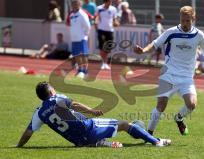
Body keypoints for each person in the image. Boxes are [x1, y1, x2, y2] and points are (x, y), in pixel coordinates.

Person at [134, 6, 204, 136]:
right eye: (183, 20)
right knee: (161, 105)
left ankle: (179, 118)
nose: (185, 23)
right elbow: (155, 44)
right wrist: (143, 50)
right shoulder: (171, 32)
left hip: (186, 77)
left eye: (188, 21)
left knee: (191, 104)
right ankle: (149, 134)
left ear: (193, 18)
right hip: (168, 74)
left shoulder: (198, 35)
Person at [16, 81, 171, 148]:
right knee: (124, 124)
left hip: (78, 141)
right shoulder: (57, 98)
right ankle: (156, 142)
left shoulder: (39, 113)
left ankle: (100, 142)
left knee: (93, 134)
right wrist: (91, 111)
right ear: (50, 91)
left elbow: (28, 133)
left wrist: (18, 146)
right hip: (89, 128)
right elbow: (74, 104)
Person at [66, 0, 91, 78]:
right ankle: (80, 70)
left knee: (83, 55)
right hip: (74, 39)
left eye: (76, 3)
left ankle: (85, 71)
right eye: (73, 3)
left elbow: (88, 26)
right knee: (76, 55)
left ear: (80, 4)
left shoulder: (82, 14)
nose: (74, 5)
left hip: (81, 38)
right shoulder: (71, 15)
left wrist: (85, 34)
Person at [95, 0, 119, 70]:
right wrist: (97, 28)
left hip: (110, 30)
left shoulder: (113, 9)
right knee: (102, 47)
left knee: (108, 48)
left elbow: (115, 20)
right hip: (101, 30)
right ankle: (103, 63)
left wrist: (116, 23)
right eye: (109, 1)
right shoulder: (99, 8)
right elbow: (96, 18)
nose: (110, 3)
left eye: (111, 2)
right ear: (105, 1)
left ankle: (105, 63)